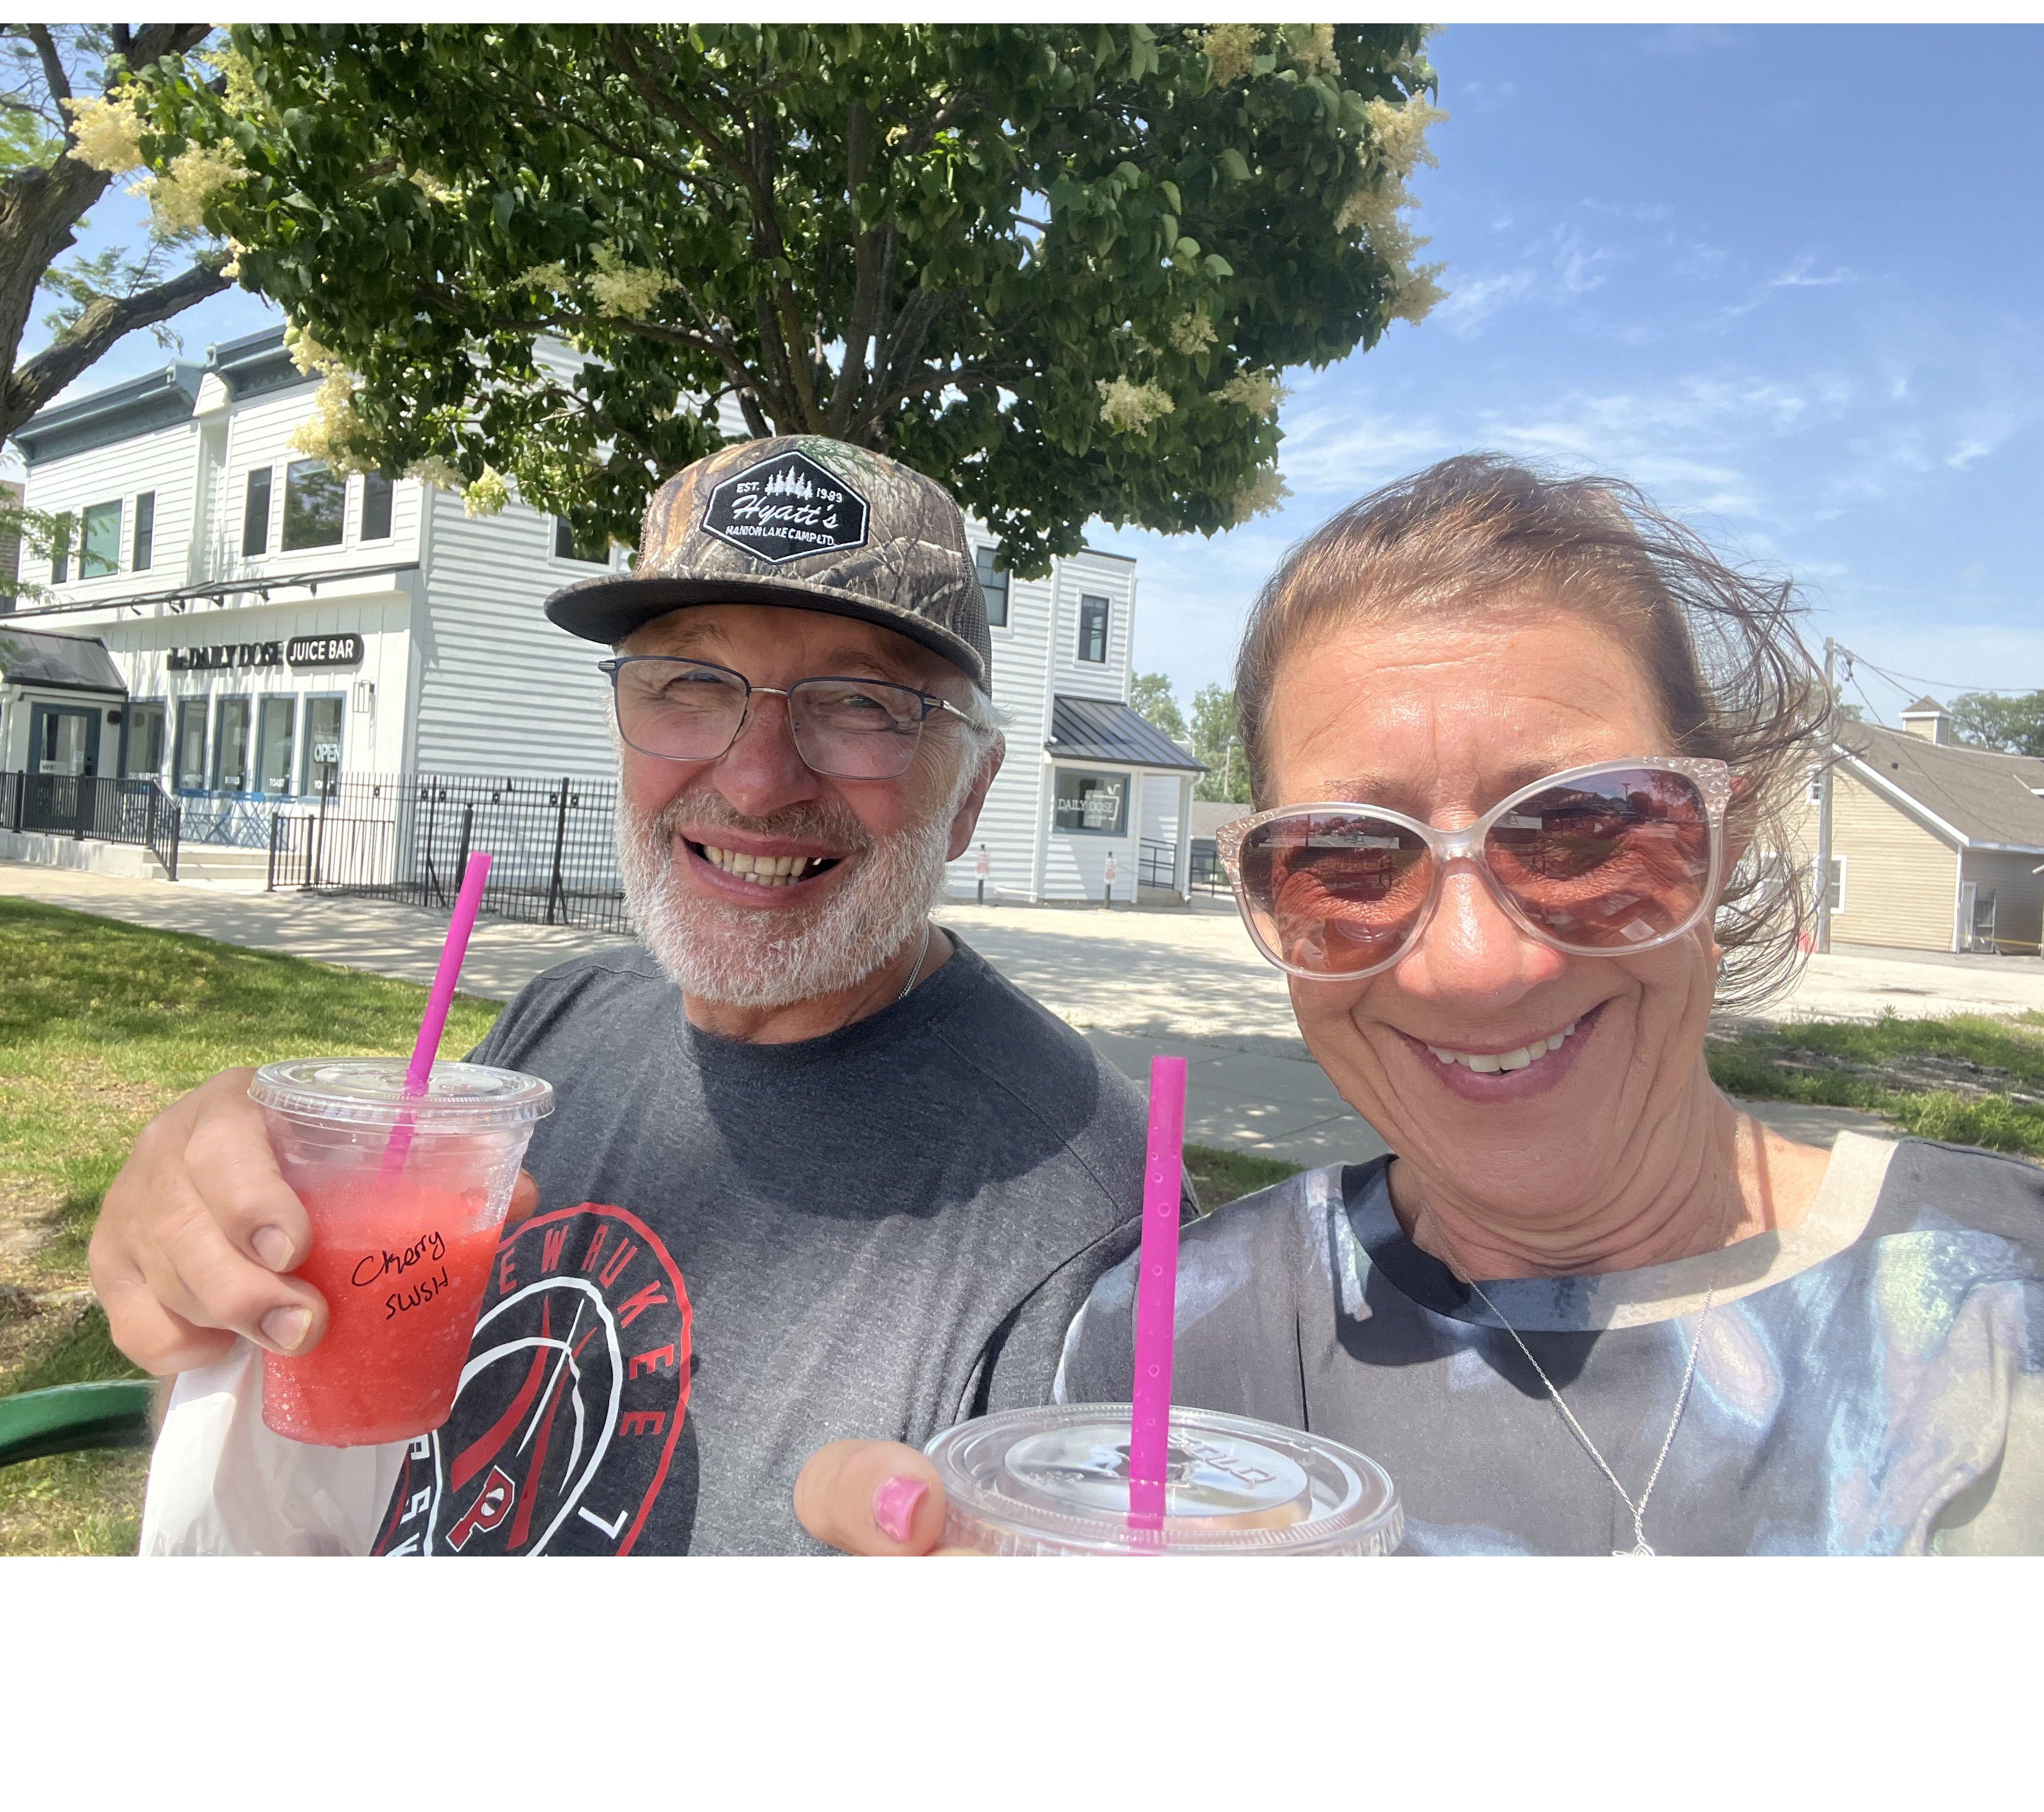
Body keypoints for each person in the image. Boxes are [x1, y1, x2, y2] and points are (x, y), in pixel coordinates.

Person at [797, 455, 2044, 1556]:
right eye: (1346, 855)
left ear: (1727, 838)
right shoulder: (1179, 1350)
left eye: (1584, 826)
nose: (1473, 964)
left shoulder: (2006, 1300)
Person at [91, 435, 1172, 1556]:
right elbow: (344, 1476)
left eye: (858, 705)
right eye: (692, 686)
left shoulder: (1094, 1227)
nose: (756, 780)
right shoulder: (560, 1021)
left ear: (968, 795)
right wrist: (217, 1307)